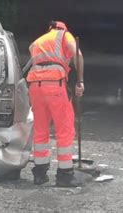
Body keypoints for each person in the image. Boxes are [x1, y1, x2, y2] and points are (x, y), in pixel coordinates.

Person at [27, 20, 85, 187]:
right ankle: (65, 175)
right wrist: (80, 81)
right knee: (64, 128)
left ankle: (39, 173)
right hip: (55, 85)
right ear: (62, 28)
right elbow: (78, 55)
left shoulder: (38, 42)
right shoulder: (63, 35)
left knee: (40, 129)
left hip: (35, 87)